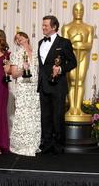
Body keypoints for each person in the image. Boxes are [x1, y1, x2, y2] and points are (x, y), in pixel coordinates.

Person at [37, 15, 77, 154]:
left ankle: (59, 146)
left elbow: (73, 62)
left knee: (57, 116)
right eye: (42, 25)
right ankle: (47, 145)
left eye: (45, 26)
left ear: (54, 27)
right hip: (43, 86)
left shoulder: (64, 42)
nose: (43, 27)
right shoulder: (40, 42)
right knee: (45, 117)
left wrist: (60, 69)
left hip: (58, 85)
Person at [10, 32, 41, 156]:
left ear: (27, 37)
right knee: (23, 115)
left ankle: (34, 144)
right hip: (23, 88)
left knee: (34, 116)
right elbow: (13, 74)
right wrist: (23, 69)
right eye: (16, 39)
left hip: (35, 89)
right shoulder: (16, 54)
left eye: (20, 36)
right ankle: (22, 145)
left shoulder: (37, 54)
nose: (19, 39)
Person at [61, 2, 94, 119]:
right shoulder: (67, 27)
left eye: (81, 10)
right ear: (72, 11)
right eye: (76, 10)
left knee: (80, 81)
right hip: (71, 57)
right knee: (72, 81)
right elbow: (64, 44)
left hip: (83, 57)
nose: (79, 12)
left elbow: (89, 44)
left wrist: (81, 45)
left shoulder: (89, 28)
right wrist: (75, 43)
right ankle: (71, 107)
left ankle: (78, 108)